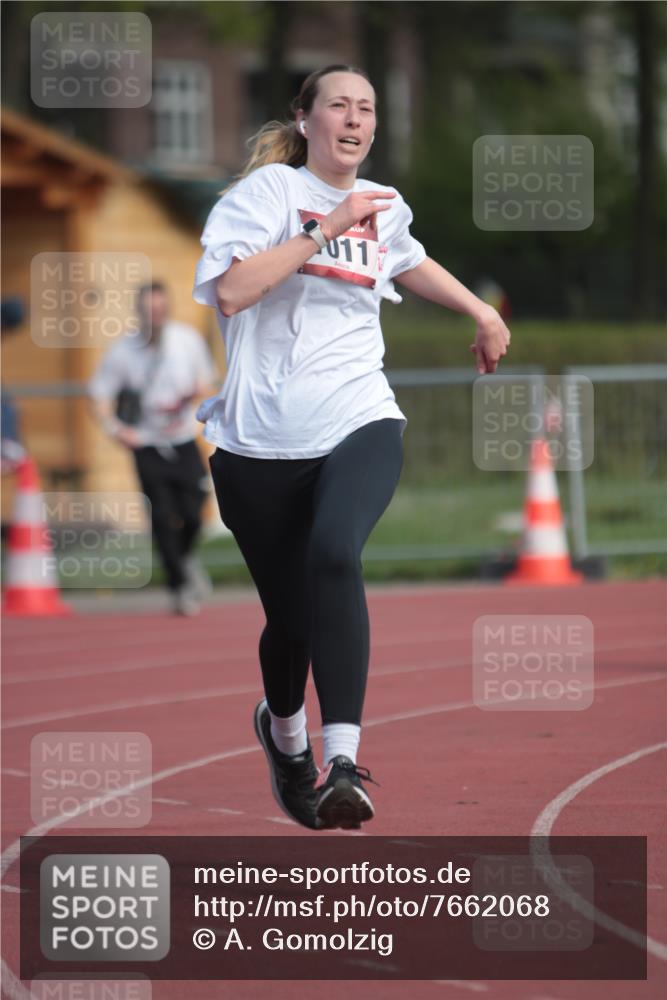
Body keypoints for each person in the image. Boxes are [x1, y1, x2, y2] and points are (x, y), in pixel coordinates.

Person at [193, 65, 510, 830]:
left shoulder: (382, 206)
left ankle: (342, 762)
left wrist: (480, 311)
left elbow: (407, 258)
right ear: (305, 119)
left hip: (358, 416)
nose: (354, 118)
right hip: (258, 442)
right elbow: (231, 291)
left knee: (335, 552)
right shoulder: (264, 197)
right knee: (291, 624)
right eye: (338, 104)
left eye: (366, 107)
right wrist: (323, 228)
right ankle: (284, 737)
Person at [89, 281, 219, 615]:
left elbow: (207, 381)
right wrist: (117, 430)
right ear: (138, 312)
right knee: (160, 516)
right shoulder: (122, 351)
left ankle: (185, 558)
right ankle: (180, 586)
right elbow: (99, 395)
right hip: (146, 444)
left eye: (160, 310)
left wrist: (192, 396)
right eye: (149, 311)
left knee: (194, 511)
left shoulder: (186, 340)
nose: (155, 317)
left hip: (183, 439)